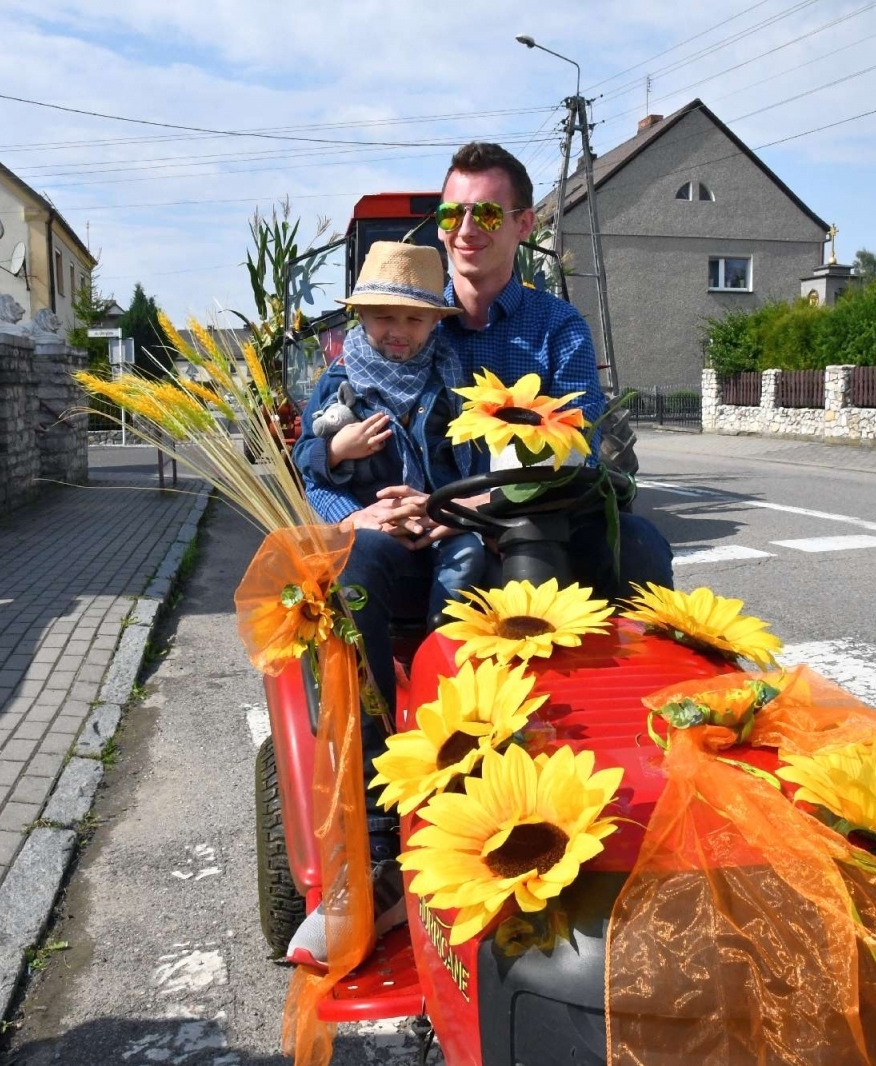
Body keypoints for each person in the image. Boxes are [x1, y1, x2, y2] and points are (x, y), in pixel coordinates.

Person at [283, 243, 485, 969]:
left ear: (433, 324)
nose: (395, 331)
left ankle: (457, 736)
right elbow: (305, 458)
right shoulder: (339, 382)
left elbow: (481, 463)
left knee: (468, 573)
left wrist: (445, 511)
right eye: (382, 317)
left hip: (442, 532)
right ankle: (375, 823)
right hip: (373, 539)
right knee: (354, 571)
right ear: (361, 319)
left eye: (409, 318)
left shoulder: (458, 379)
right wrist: (341, 467)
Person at [380, 140, 676, 600]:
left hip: (540, 521)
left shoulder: (559, 328)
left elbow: (578, 449)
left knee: (639, 545)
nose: (466, 229)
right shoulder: (406, 327)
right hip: (425, 526)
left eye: (488, 215)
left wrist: (461, 510)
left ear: (523, 224)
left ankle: (638, 668)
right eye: (451, 214)